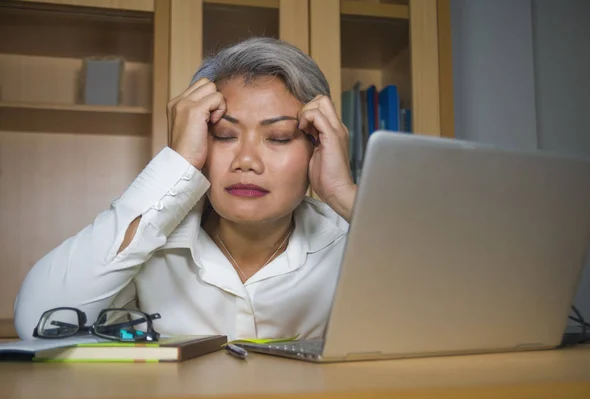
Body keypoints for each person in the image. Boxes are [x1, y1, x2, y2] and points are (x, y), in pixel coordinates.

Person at [14, 37, 357, 341]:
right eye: (224, 135)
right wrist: (178, 162)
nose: (247, 161)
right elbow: (40, 323)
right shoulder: (147, 238)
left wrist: (344, 193)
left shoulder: (354, 237)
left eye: (279, 138)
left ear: (318, 146)